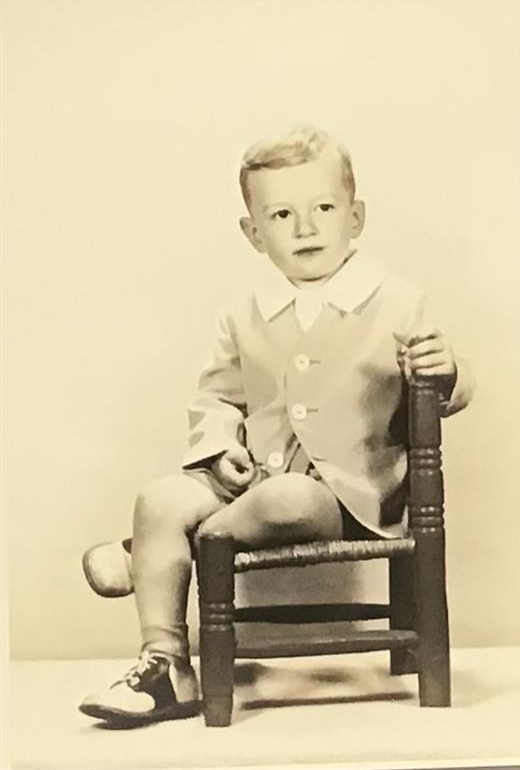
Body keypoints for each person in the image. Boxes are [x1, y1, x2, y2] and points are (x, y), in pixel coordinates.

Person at [79, 126, 474, 726]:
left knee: (289, 496)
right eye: (282, 215)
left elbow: (443, 383)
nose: (306, 228)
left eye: (324, 209)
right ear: (253, 233)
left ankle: (152, 555)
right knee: (158, 499)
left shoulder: (395, 300)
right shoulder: (244, 316)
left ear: (356, 217)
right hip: (254, 485)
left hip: (348, 496)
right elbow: (217, 397)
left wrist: (448, 370)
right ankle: (166, 664)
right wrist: (219, 449)